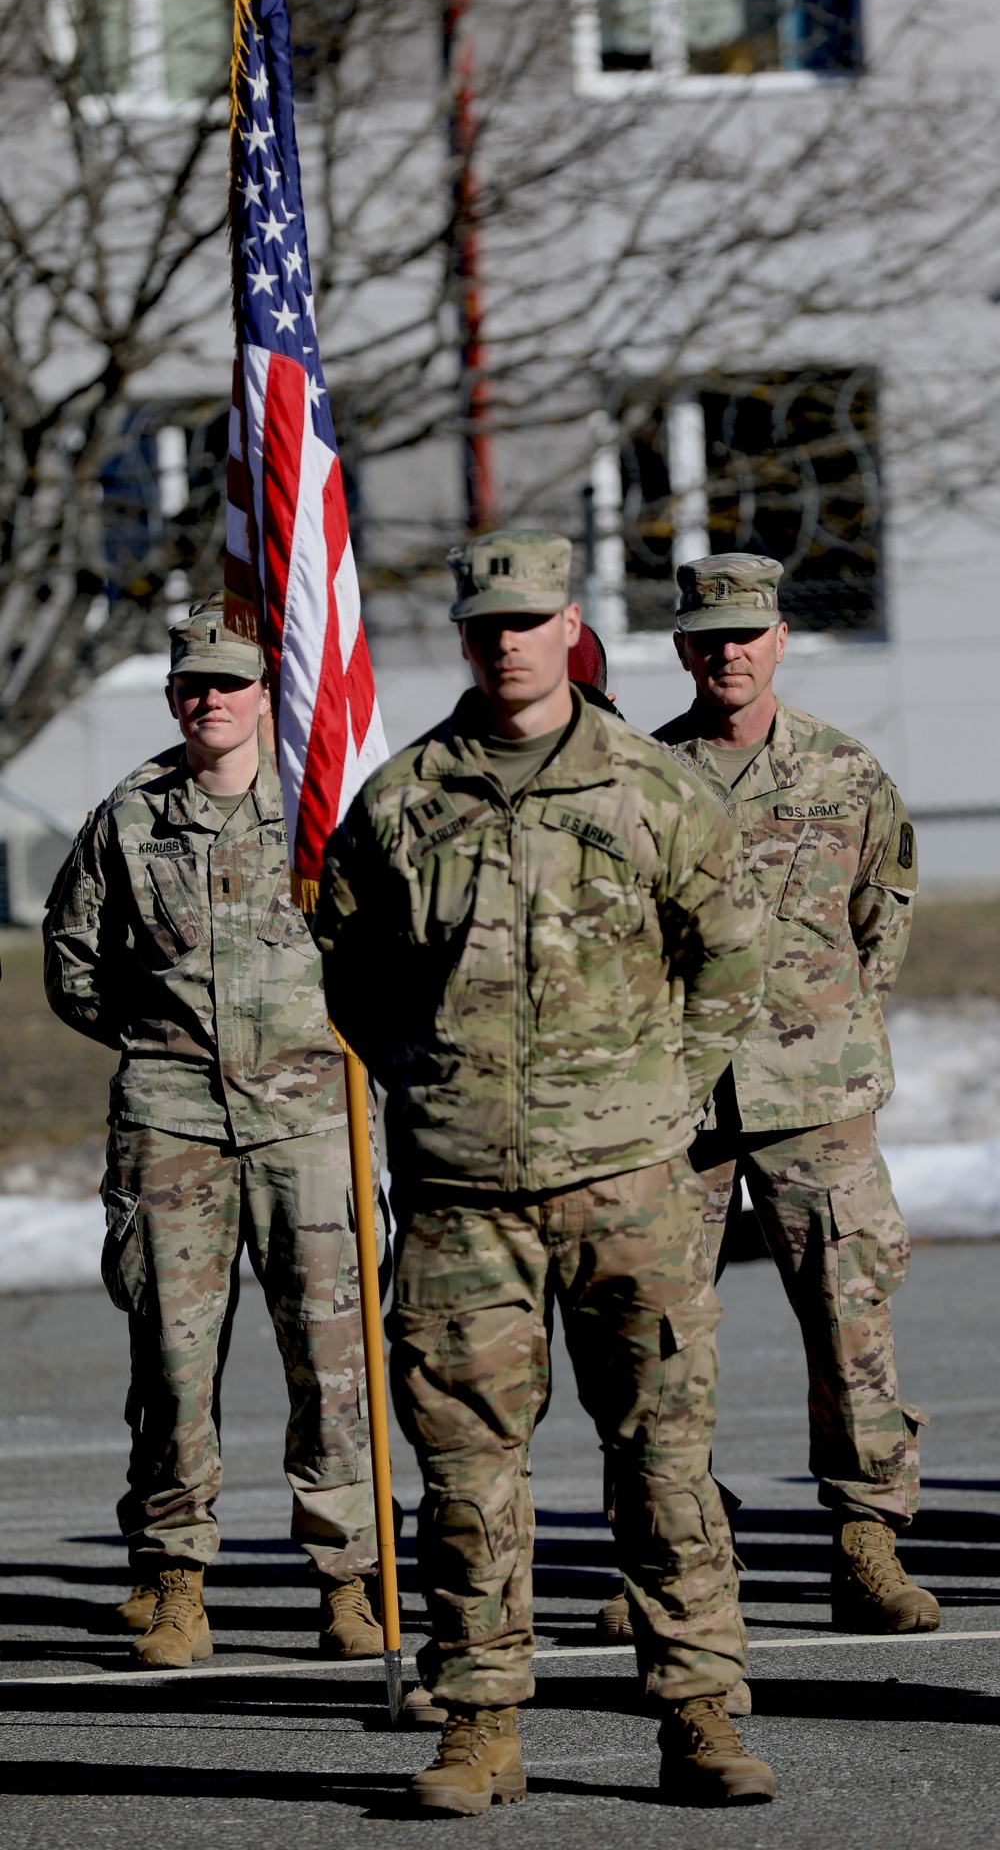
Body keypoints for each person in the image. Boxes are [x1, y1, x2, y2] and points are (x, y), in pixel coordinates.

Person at [313, 528, 777, 1813]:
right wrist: (427, 1076)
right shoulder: (405, 797)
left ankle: (696, 1713)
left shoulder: (650, 785)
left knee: (663, 1457)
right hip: (463, 1195)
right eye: (485, 620)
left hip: (630, 1184)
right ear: (463, 635)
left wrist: (665, 1092)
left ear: (568, 625)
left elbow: (731, 951)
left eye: (529, 618)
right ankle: (479, 1725)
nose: (508, 639)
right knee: (467, 1470)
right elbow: (350, 964)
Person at [43, 593, 383, 1668]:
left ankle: (349, 1580)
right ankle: (174, 1575)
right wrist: (161, 1040)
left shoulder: (323, 804)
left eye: (230, 682)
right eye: (192, 682)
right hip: (173, 1122)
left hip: (311, 1123)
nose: (210, 700)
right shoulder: (130, 812)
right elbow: (73, 959)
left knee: (332, 1362)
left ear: (263, 692)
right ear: (172, 694)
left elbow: (397, 944)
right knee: (174, 1361)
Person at [650, 552, 938, 1635]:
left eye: (745, 633)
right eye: (706, 635)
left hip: (815, 1092)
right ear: (682, 647)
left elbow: (882, 914)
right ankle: (683, 1549)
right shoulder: (640, 774)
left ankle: (865, 1539)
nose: (726, 651)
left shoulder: (843, 772)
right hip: (673, 1100)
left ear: (777, 640)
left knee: (848, 1316)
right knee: (661, 1331)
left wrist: (820, 1027)